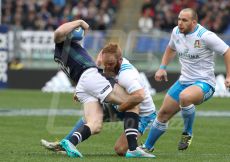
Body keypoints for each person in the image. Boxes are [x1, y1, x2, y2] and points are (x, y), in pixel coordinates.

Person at [50, 19, 155, 158]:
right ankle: (133, 149)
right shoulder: (62, 43)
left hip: (82, 84)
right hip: (89, 76)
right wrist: (80, 22)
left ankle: (70, 142)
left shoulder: (66, 51)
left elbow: (100, 59)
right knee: (133, 102)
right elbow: (59, 32)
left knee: (95, 124)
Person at [142, 8, 230, 151]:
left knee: (185, 97)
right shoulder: (176, 32)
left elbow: (227, 51)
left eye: (184, 20)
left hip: (204, 83)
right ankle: (147, 147)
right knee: (163, 114)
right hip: (184, 81)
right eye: (179, 19)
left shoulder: (205, 36)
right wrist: (162, 67)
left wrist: (229, 76)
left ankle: (187, 133)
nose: (180, 23)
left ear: (194, 22)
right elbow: (170, 48)